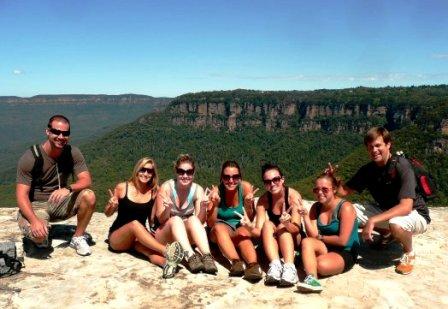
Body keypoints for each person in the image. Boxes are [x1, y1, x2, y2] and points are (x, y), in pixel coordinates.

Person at [334, 126, 431, 275]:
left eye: (378, 145)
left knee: (396, 224)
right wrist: (332, 180)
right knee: (348, 210)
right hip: (387, 211)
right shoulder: (368, 170)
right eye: (370, 147)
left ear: (388, 144)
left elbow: (406, 207)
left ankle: (409, 253)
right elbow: (343, 192)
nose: (374, 150)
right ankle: (386, 234)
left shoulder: (402, 166)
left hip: (415, 214)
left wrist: (372, 221)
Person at [16, 115, 96, 256]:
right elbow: (21, 195)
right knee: (39, 236)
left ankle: (77, 237)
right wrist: (34, 221)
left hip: (59, 203)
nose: (61, 136)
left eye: (65, 133)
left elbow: (86, 180)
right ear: (48, 132)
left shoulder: (72, 153)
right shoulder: (31, 157)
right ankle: (38, 234)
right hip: (36, 206)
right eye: (56, 132)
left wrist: (68, 188)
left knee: (88, 195)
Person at [105, 157, 184, 279]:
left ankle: (167, 264)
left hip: (137, 238)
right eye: (143, 170)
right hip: (117, 237)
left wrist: (167, 210)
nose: (146, 173)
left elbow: (152, 219)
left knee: (149, 252)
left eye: (150, 171)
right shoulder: (122, 187)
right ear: (137, 170)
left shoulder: (153, 192)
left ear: (153, 174)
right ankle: (167, 251)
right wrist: (112, 206)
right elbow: (107, 214)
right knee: (135, 224)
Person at [154, 154, 218, 274]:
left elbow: (200, 222)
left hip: (184, 237)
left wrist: (204, 207)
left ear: (193, 173)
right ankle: (190, 257)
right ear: (176, 172)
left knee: (193, 219)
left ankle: (207, 256)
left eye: (189, 172)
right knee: (176, 220)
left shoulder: (197, 190)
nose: (185, 175)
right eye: (181, 172)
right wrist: (167, 209)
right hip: (165, 236)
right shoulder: (166, 188)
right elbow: (161, 220)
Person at [297, 172, 359, 292]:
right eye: (317, 190)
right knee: (306, 242)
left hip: (345, 251)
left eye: (325, 189)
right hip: (326, 247)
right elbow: (312, 236)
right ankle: (312, 279)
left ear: (334, 189)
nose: (320, 193)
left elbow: (343, 241)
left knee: (320, 265)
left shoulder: (345, 208)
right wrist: (305, 216)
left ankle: (308, 264)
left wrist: (320, 237)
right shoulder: (316, 207)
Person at [207, 160, 262, 281]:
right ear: (222, 178)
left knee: (243, 233)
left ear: (240, 178)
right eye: (227, 177)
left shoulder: (245, 187)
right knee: (218, 228)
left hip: (239, 229)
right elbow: (210, 223)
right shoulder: (216, 191)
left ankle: (253, 266)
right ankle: (236, 262)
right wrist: (215, 205)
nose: (231, 181)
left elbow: (250, 218)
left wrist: (248, 204)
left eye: (235, 177)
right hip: (220, 232)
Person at [256, 163, 303, 286]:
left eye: (276, 179)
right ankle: (276, 265)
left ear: (282, 179)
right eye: (267, 182)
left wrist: (287, 224)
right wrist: (247, 227)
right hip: (274, 240)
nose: (272, 184)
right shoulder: (263, 200)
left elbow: (297, 228)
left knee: (282, 227)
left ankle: (289, 268)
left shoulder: (293, 196)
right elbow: (259, 229)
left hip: (293, 236)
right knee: (267, 224)